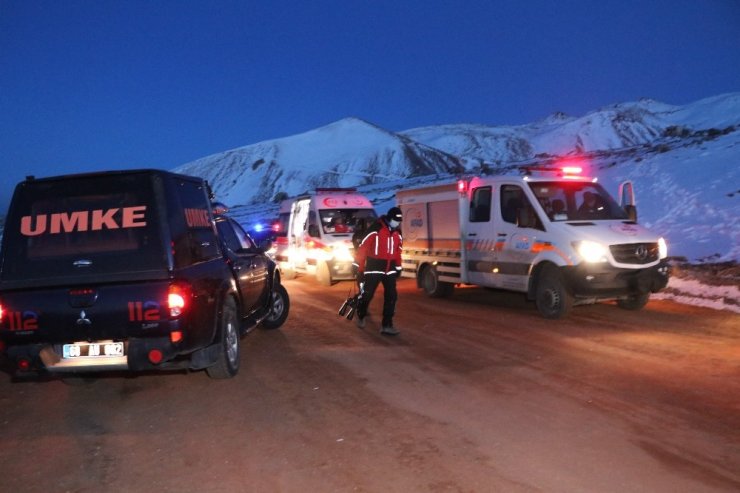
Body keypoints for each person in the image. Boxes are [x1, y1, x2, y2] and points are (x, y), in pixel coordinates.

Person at [353, 207, 403, 336]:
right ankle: (361, 314)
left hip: (390, 268)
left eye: (399, 221)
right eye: (395, 221)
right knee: (367, 294)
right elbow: (363, 247)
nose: (397, 223)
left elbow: (398, 251)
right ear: (389, 218)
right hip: (374, 267)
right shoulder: (375, 229)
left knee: (392, 296)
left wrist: (398, 267)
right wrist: (358, 265)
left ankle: (387, 325)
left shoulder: (398, 233)